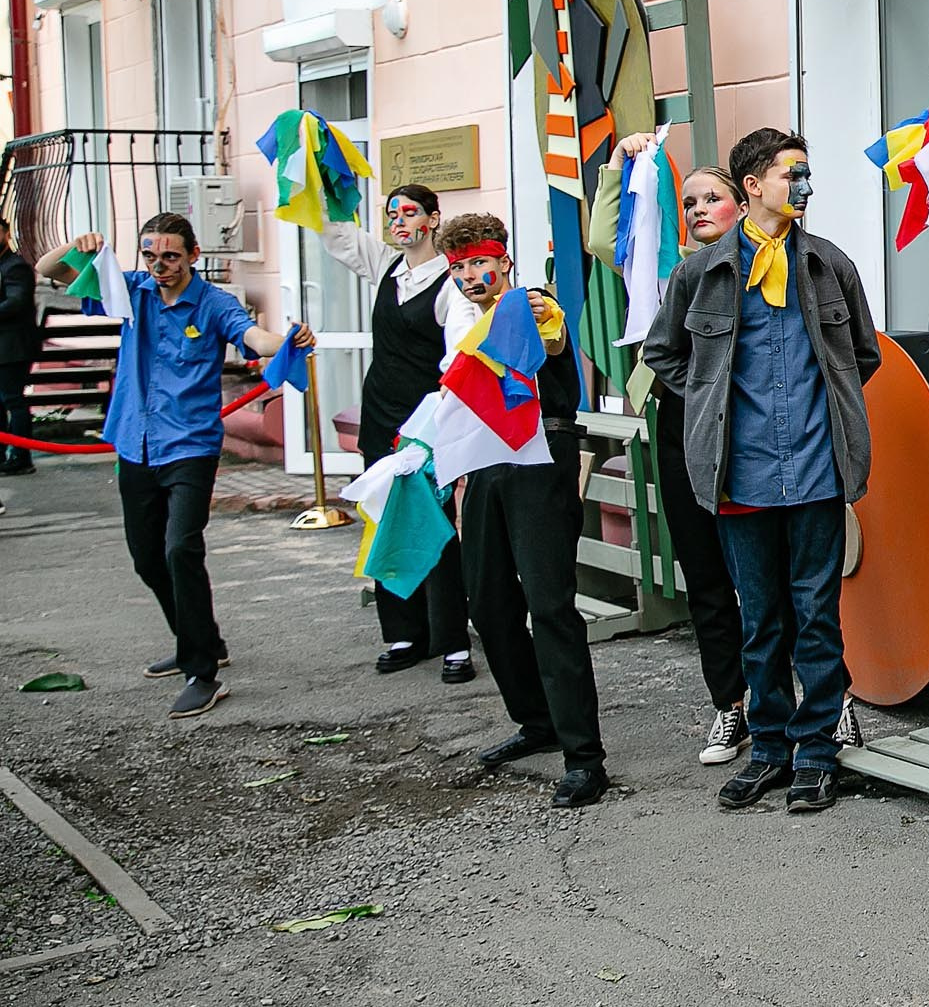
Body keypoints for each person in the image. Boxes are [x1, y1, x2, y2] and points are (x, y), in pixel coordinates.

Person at [644, 128, 882, 817]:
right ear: (753, 186)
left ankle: (815, 755)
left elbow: (861, 356)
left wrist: (823, 408)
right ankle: (770, 750)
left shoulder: (829, 265)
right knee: (762, 620)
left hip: (815, 472)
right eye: (792, 175)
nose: (804, 187)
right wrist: (712, 398)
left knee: (815, 616)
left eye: (807, 176)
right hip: (739, 474)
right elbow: (663, 354)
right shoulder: (702, 272)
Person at [35, 218, 315, 719]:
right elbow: (47, 269)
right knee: (147, 559)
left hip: (189, 445)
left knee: (181, 546)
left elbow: (254, 337)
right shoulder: (132, 290)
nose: (159, 267)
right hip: (134, 442)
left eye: (170, 257)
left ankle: (202, 671)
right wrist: (77, 246)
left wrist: (290, 337)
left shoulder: (213, 304)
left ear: (192, 254)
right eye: (150, 256)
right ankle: (199, 638)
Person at [438, 214, 609, 809]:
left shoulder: (532, 304)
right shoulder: (464, 322)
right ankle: (536, 721)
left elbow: (554, 338)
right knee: (486, 599)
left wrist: (534, 317)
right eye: (457, 267)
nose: (468, 275)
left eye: (478, 262)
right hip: (486, 464)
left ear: (504, 260)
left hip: (540, 458)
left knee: (549, 605)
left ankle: (584, 757)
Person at [614, 135, 751, 768]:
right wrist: (621, 167)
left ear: (744, 202)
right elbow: (603, 239)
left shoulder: (772, 266)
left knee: (775, 579)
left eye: (712, 198)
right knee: (706, 578)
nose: (698, 208)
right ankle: (732, 705)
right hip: (684, 434)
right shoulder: (667, 269)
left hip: (752, 438)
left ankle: (823, 704)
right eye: (688, 200)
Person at [316, 183, 479, 683]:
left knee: (436, 527)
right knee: (383, 519)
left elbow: (457, 355)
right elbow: (336, 234)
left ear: (432, 219)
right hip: (381, 416)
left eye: (409, 213)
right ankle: (404, 633)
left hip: (425, 423)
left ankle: (453, 640)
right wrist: (318, 171)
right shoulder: (388, 266)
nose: (399, 222)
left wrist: (440, 428)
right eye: (392, 214)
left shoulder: (450, 283)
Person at [0, 215, 34, 478]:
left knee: (13, 401)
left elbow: (16, 301)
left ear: (6, 234)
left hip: (12, 349)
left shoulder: (14, 266)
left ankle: (21, 457)